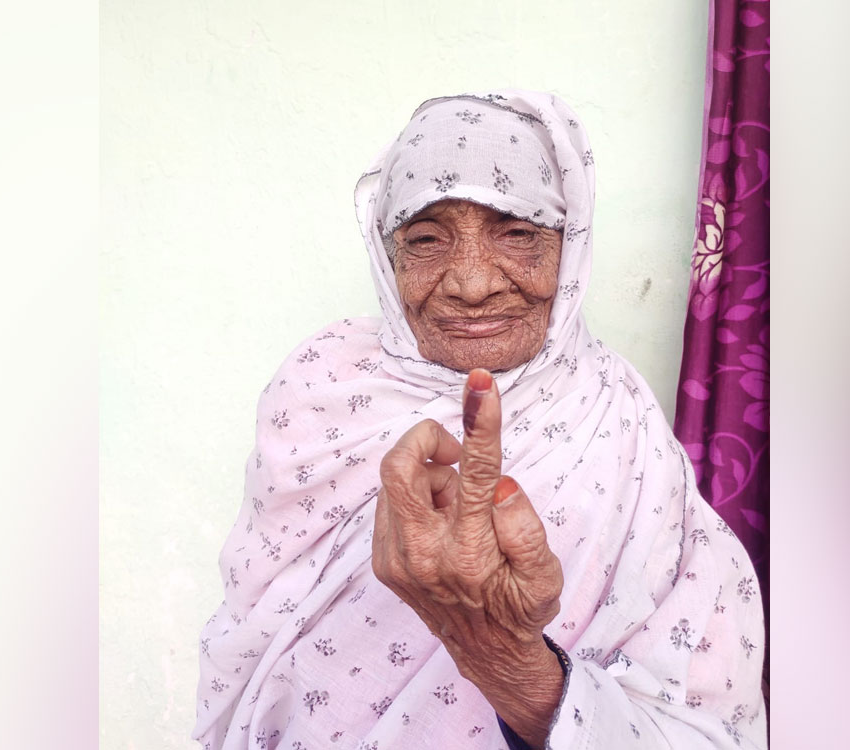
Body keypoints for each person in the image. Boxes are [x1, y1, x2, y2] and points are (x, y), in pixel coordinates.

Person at [194, 90, 766, 749]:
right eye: (428, 238)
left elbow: (700, 717)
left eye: (518, 232)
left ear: (571, 244)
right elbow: (252, 648)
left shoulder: (622, 426)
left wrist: (498, 651)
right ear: (387, 255)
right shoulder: (320, 389)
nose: (470, 283)